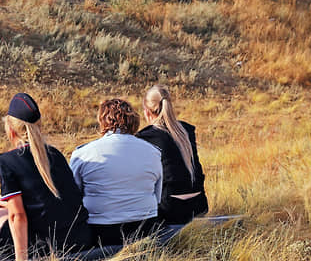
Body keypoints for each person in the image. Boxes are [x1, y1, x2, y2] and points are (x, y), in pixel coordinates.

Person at [0, 93, 92, 261]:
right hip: (80, 238)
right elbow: (52, 198)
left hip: (45, 247)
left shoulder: (7, 161)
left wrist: (21, 260)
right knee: (4, 207)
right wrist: (8, 202)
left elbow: (17, 216)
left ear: (10, 130)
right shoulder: (55, 154)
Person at [70, 98, 162, 246]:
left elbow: (74, 197)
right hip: (145, 227)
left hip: (101, 229)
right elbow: (157, 196)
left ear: (102, 121)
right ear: (134, 121)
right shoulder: (153, 152)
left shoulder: (83, 153)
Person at [136, 85, 208, 225]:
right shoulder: (187, 130)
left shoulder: (146, 137)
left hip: (169, 209)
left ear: (147, 112)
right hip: (199, 205)